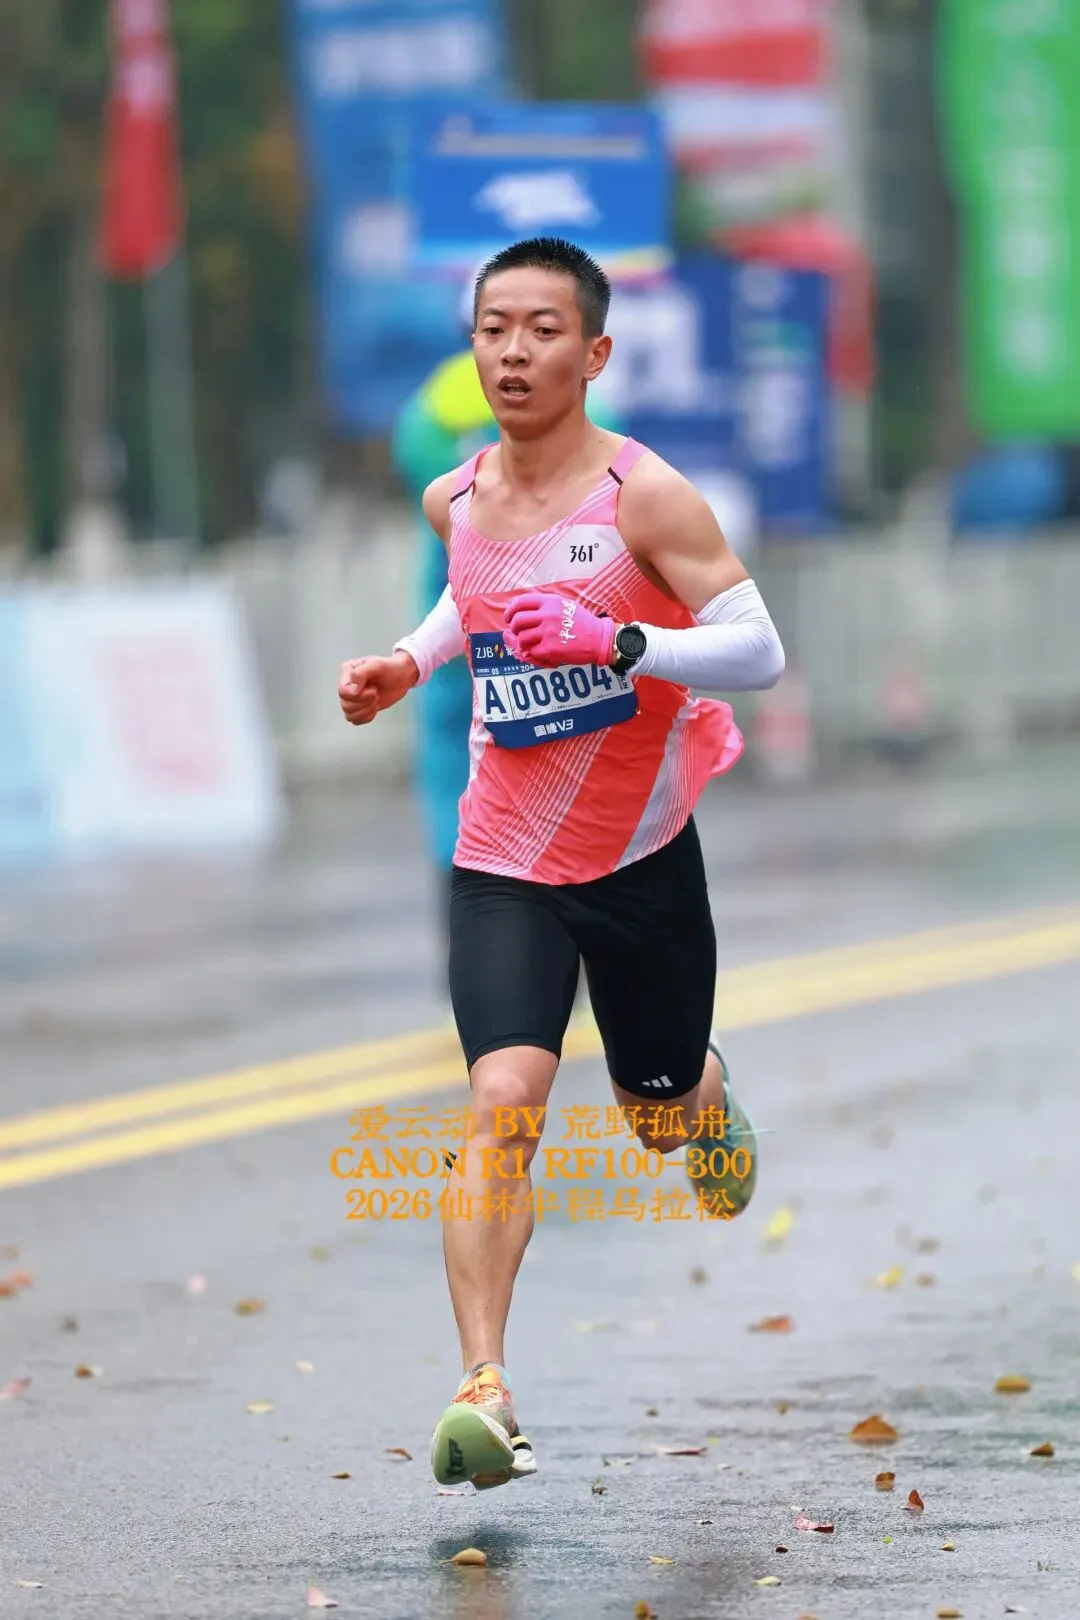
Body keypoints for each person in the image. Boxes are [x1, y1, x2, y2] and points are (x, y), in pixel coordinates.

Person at [339, 237, 786, 1493]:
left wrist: (620, 642)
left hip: (639, 860)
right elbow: (470, 598)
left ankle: (699, 1092)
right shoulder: (456, 500)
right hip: (502, 857)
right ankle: (483, 1387)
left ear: (593, 354)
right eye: (495, 328)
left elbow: (758, 649)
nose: (514, 351)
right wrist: (409, 662)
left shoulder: (647, 498)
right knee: (503, 1102)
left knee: (652, 1114)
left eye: (543, 330)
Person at [391, 278, 627, 955]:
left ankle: (471, 947)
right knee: (564, 761)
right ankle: (567, 947)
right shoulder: (585, 395)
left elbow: (421, 481)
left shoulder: (431, 409)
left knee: (453, 772)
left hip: (457, 617)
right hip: (556, 615)